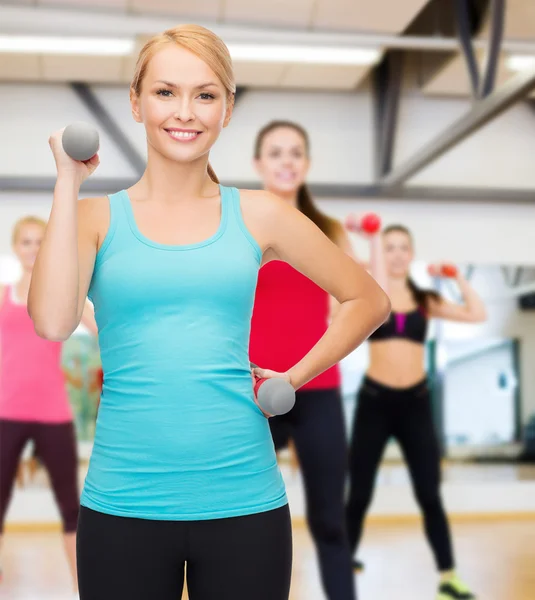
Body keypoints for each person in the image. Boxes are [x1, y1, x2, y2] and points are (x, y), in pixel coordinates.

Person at [28, 25, 390, 600]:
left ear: (227, 109)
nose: (186, 112)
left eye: (206, 95)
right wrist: (67, 183)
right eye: (166, 92)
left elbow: (368, 299)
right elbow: (51, 321)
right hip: (122, 505)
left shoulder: (258, 214)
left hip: (244, 503)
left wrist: (293, 376)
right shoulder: (96, 219)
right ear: (136, 101)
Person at [250, 120, 388, 600]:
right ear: (258, 164)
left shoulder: (328, 230)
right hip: (252, 396)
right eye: (275, 152)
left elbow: (356, 303)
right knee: (243, 523)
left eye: (295, 153)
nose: (286, 161)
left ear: (306, 165)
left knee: (331, 523)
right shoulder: (243, 224)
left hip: (318, 391)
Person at [345, 225, 486, 600]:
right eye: (388, 248)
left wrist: (456, 278)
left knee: (429, 495)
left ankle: (448, 576)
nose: (395, 254)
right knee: (358, 493)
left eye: (402, 248)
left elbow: (476, 314)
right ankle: (342, 562)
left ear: (411, 254)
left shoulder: (426, 299)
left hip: (416, 405)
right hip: (374, 404)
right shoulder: (371, 294)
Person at [0, 216, 97, 593]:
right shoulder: (3, 295)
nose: (33, 249)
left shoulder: (61, 296)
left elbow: (102, 329)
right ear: (16, 247)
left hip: (53, 413)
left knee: (71, 509)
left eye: (41, 242)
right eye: (26, 242)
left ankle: (83, 588)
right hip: (6, 412)